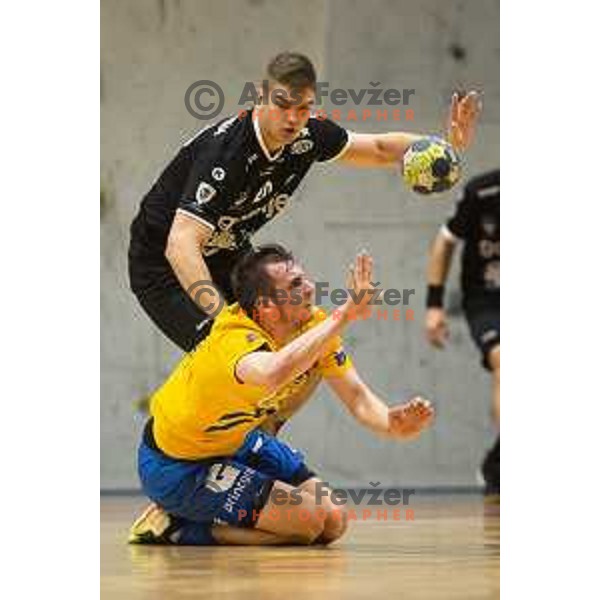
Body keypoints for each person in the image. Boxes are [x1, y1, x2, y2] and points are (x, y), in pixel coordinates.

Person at [128, 51, 481, 351]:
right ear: (261, 96)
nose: (294, 118)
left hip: (226, 253)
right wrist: (225, 321)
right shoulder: (227, 155)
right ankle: (172, 432)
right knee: (238, 356)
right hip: (163, 266)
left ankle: (264, 431)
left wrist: (442, 147)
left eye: (304, 107)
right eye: (283, 104)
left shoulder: (309, 135)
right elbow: (180, 244)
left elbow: (377, 149)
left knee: (297, 339)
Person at [129, 245, 435, 545]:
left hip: (234, 443)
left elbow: (357, 397)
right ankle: (181, 528)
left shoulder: (313, 324)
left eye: (305, 278)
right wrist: (344, 315)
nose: (311, 289)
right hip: (176, 465)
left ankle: (207, 515)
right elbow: (272, 374)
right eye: (296, 284)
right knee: (307, 522)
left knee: (333, 521)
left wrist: (391, 423)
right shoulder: (232, 337)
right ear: (266, 307)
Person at [424, 169, 500, 496]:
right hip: (488, 298)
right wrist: (434, 305)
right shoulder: (483, 191)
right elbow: (445, 242)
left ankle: (497, 462)